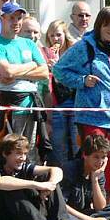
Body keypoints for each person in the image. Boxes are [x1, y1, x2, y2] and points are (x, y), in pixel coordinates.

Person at [53, 6, 110, 201]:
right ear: (99, 25)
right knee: (94, 158)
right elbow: (59, 70)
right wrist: (82, 81)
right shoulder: (84, 47)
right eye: (108, 24)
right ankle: (90, 200)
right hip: (92, 115)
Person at [0, 133, 95, 220]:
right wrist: (37, 185)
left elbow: (56, 170)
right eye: (18, 154)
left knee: (48, 177)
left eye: (25, 154)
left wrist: (49, 185)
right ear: (5, 154)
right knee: (11, 187)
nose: (22, 158)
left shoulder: (23, 167)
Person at [0, 2, 49, 159]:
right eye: (11, 18)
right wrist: (32, 65)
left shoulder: (28, 43)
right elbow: (6, 70)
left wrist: (15, 73)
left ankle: (29, 182)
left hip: (31, 105)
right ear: (2, 18)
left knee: (30, 150)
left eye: (19, 18)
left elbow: (44, 72)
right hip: (8, 106)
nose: (16, 22)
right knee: (10, 151)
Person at [42, 20, 79, 161]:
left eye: (58, 35)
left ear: (65, 35)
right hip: (57, 103)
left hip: (75, 102)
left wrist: (57, 67)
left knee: (76, 142)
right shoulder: (46, 55)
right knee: (58, 143)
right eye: (52, 36)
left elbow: (72, 80)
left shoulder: (74, 52)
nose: (55, 39)